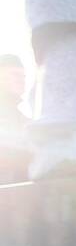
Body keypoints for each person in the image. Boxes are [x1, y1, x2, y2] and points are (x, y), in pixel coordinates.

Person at [0, 54, 30, 186]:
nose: (21, 80)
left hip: (18, 195)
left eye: (23, 76)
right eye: (15, 74)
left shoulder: (24, 120)